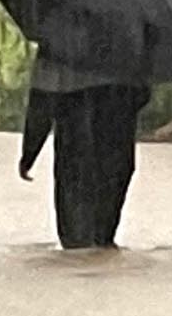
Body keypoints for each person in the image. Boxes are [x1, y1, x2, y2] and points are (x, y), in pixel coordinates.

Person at [18, 51, 151, 250]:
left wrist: (30, 151)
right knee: (103, 240)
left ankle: (79, 268)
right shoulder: (129, 38)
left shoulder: (56, 39)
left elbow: (42, 102)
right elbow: (142, 95)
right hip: (116, 144)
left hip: (75, 148)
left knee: (75, 242)